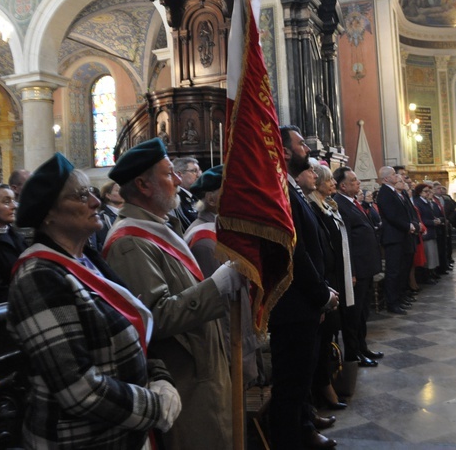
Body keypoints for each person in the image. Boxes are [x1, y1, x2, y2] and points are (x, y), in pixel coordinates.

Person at [8, 152, 181, 449]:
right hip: (80, 440)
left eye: (91, 191)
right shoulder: (38, 277)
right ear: (48, 214)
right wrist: (154, 406)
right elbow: (79, 390)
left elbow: (134, 322)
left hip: (124, 433)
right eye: (80, 195)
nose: (96, 201)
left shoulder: (88, 258)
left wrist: (160, 377)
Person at [102, 138, 240, 450]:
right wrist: (216, 286)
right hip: (185, 380)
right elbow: (155, 317)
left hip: (203, 370)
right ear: (143, 185)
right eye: (168, 174)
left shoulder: (159, 226)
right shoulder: (129, 242)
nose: (179, 180)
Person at [270, 125, 339, 450]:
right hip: (294, 303)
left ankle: (305, 423)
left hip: (305, 301)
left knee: (302, 372)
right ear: (283, 151)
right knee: (291, 379)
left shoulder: (290, 188)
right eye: (300, 144)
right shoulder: (279, 189)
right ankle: (293, 436)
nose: (306, 148)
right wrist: (321, 294)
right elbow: (295, 252)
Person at [183, 165, 259, 387]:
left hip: (240, 333)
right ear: (212, 200)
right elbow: (220, 306)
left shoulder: (219, 230)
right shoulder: (205, 241)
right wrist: (236, 353)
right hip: (230, 342)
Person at [307, 160, 353, 409]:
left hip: (333, 280)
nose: (332, 182)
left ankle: (329, 382)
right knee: (322, 341)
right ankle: (323, 388)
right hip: (324, 282)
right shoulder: (313, 208)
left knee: (330, 337)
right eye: (327, 179)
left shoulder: (327, 207)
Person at [333, 166, 382, 371]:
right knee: (353, 315)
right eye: (353, 181)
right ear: (343, 186)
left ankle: (363, 347)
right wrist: (351, 271)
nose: (358, 183)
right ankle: (354, 354)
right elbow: (346, 242)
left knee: (363, 312)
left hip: (365, 267)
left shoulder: (352, 202)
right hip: (357, 270)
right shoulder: (340, 205)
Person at [377, 167, 418, 315]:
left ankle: (399, 297)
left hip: (402, 236)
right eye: (394, 174)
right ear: (386, 178)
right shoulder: (384, 193)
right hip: (393, 238)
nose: (397, 176)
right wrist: (408, 226)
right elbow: (392, 215)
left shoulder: (393, 192)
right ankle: (392, 303)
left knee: (402, 269)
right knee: (393, 271)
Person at [413, 183, 441, 282]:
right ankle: (426, 276)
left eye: (429, 191)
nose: (428, 193)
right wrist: (432, 222)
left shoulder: (427, 202)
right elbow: (421, 218)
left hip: (431, 231)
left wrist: (435, 220)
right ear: (419, 192)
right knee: (428, 255)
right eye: (425, 191)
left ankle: (431, 273)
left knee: (432, 254)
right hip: (426, 233)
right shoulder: (418, 203)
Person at [171, 156, 200, 232]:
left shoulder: (195, 197)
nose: (198, 175)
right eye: (194, 171)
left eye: (198, 171)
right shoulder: (175, 199)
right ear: (179, 175)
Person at [94, 180, 123, 251]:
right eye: (117, 190)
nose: (122, 193)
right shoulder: (103, 217)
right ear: (108, 195)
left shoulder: (126, 213)